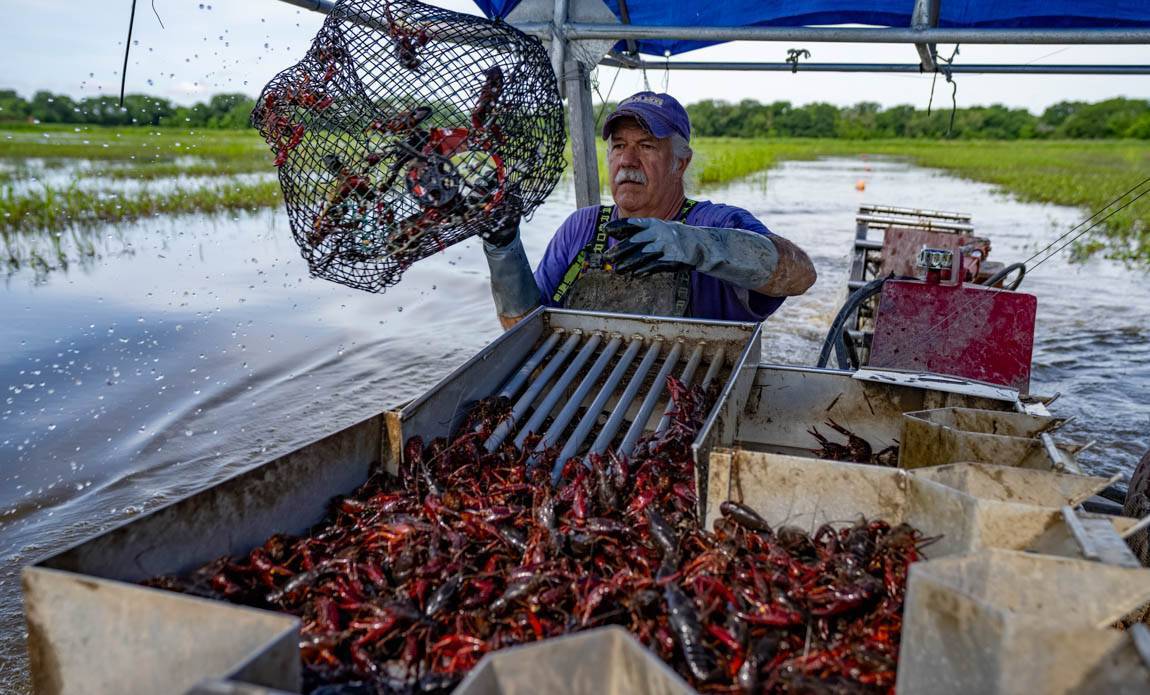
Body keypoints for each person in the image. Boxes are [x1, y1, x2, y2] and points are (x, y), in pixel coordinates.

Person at [482, 91, 816, 329]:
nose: (627, 161)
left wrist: (692, 244)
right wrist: (504, 253)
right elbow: (522, 330)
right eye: (618, 147)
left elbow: (801, 275)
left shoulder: (717, 221)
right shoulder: (582, 228)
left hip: (685, 408)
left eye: (646, 146)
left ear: (680, 162)